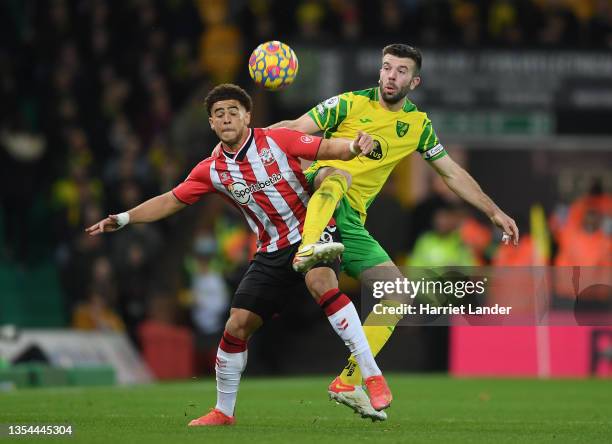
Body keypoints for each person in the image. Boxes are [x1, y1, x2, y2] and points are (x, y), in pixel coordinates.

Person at [86, 83, 391, 426]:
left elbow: (327, 147)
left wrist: (354, 144)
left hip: (311, 231)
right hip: (270, 249)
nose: (227, 118)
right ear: (211, 124)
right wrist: (124, 218)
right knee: (237, 325)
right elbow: (171, 199)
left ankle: (372, 376)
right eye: (219, 114)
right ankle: (223, 412)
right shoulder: (211, 169)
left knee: (321, 282)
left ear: (248, 116)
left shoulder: (277, 140)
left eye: (233, 111)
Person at [271, 43, 520, 420]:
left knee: (398, 296)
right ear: (379, 71)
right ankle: (309, 245)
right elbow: (295, 129)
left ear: (414, 81)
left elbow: (451, 172)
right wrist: (245, 139)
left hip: (350, 220)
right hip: (314, 197)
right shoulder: (349, 103)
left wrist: (494, 211)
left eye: (401, 71)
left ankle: (348, 381)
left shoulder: (417, 126)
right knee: (334, 174)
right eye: (387, 68)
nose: (391, 76)